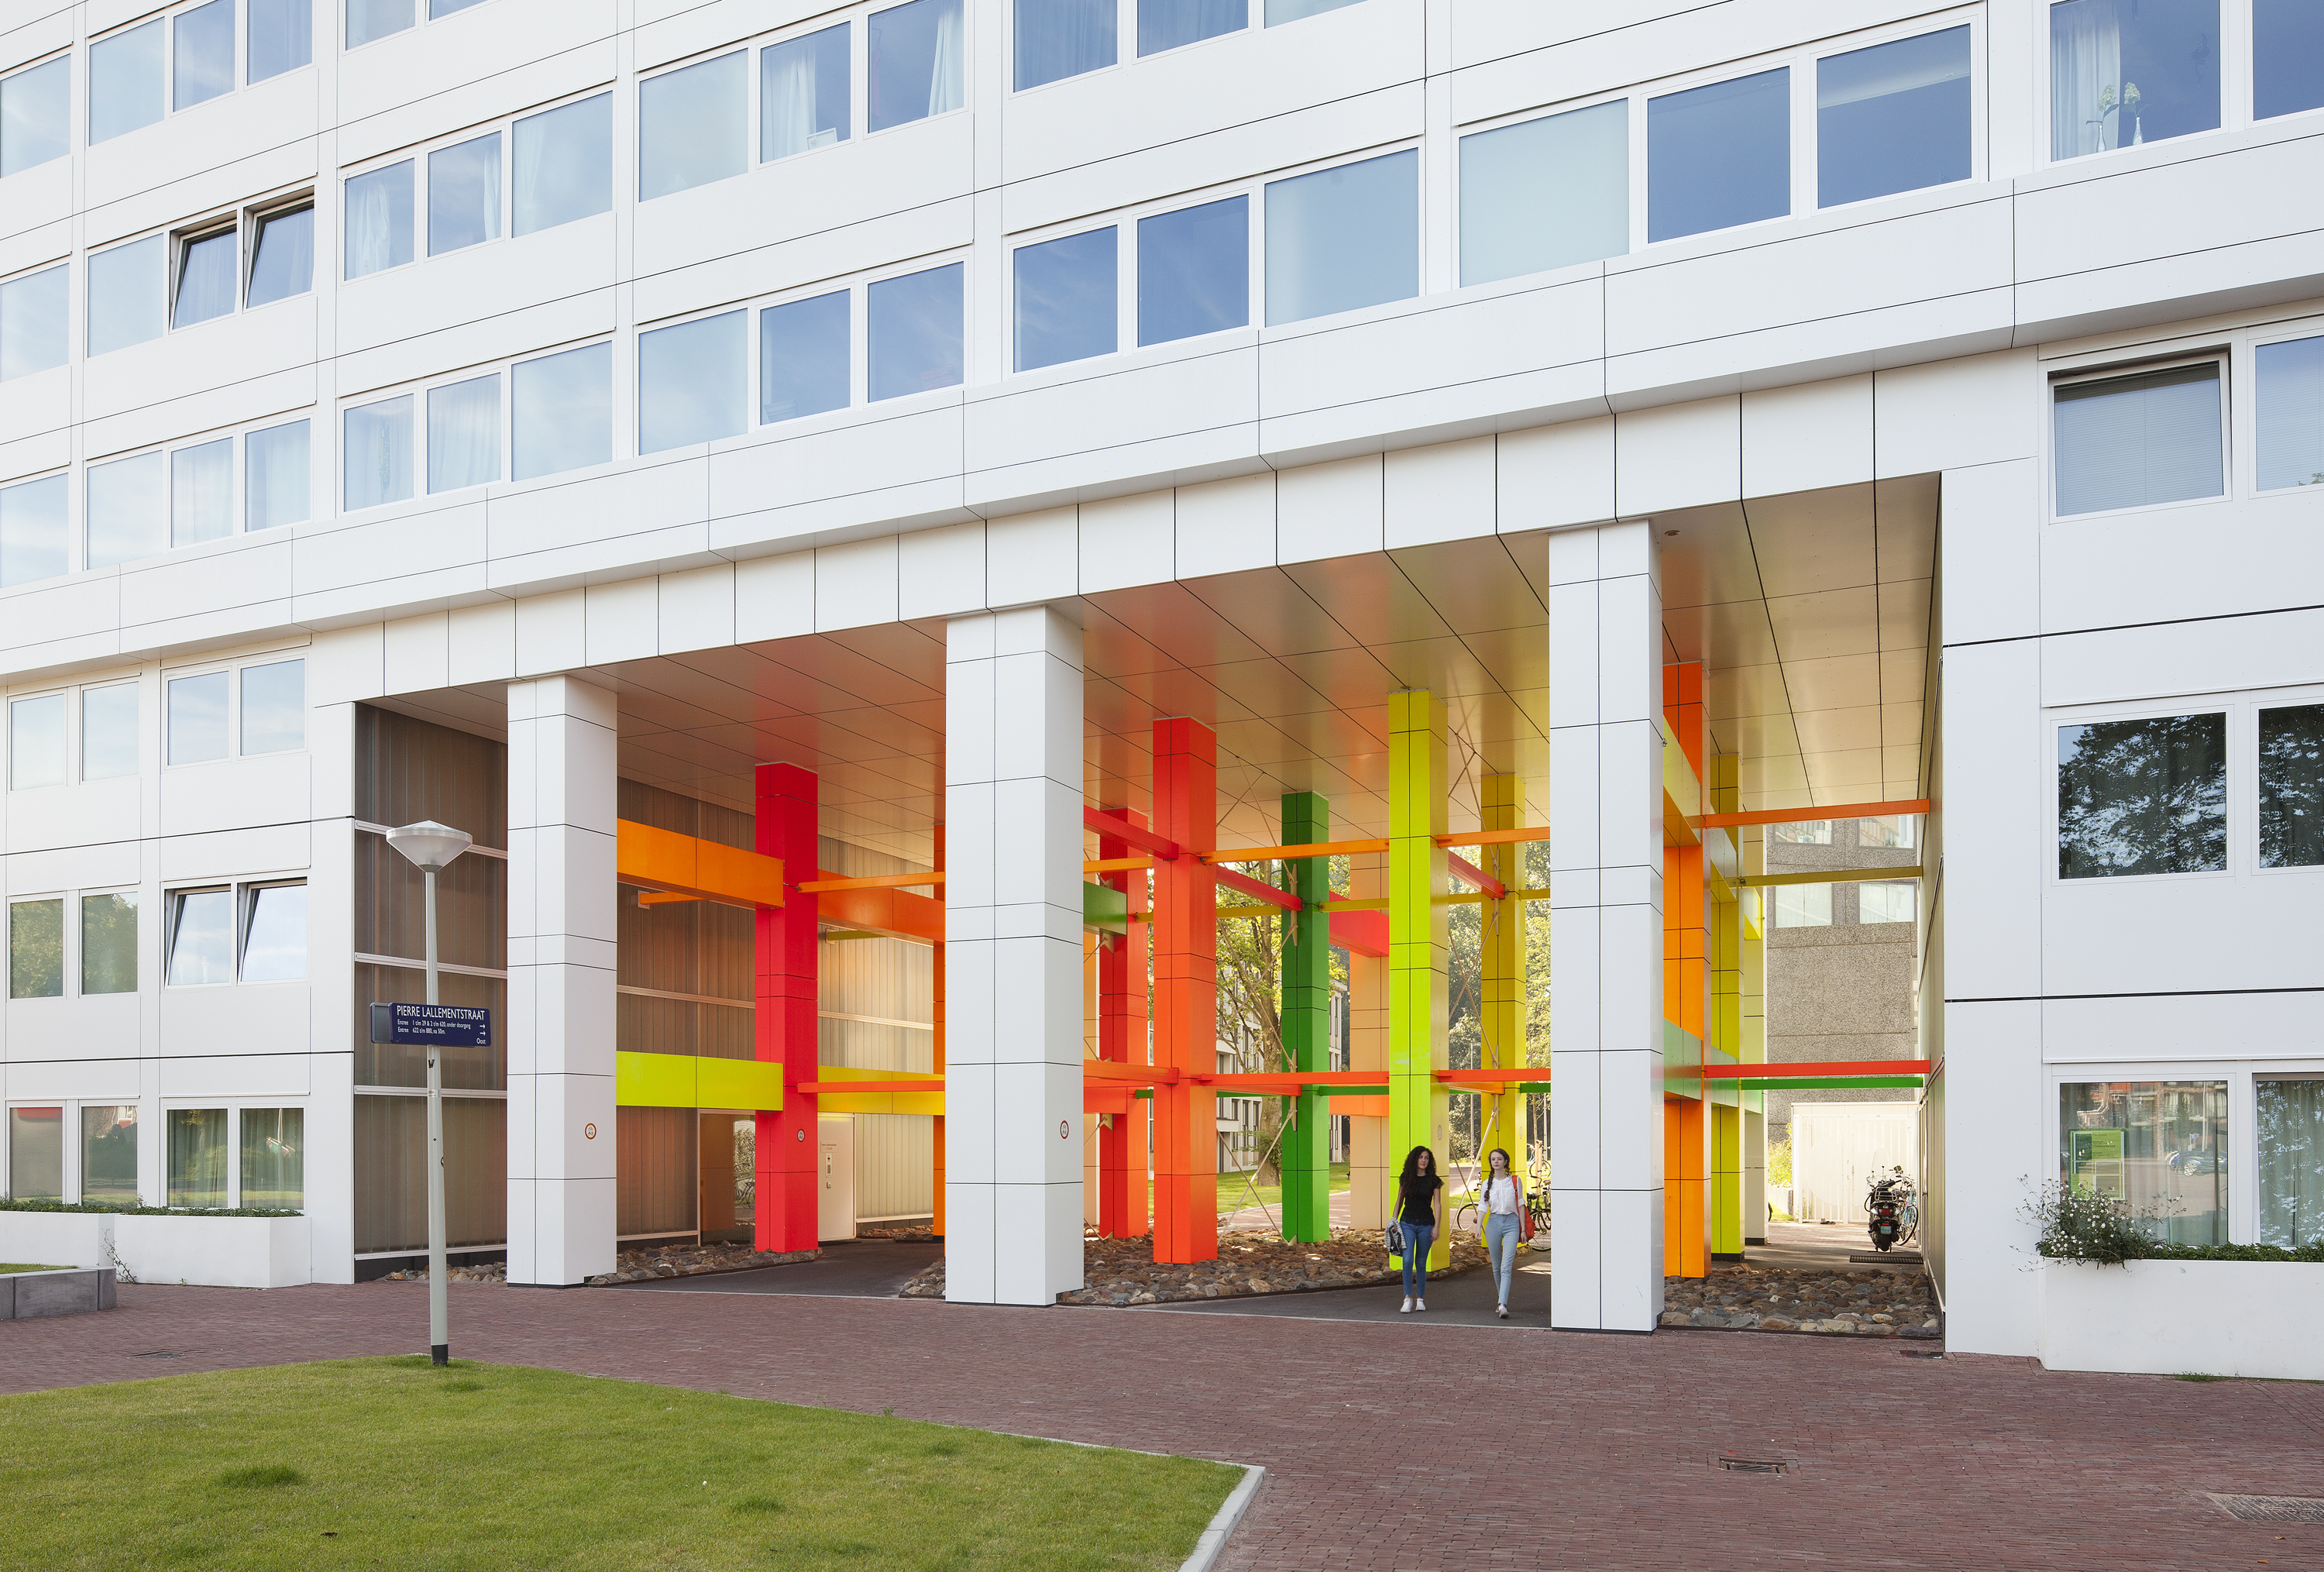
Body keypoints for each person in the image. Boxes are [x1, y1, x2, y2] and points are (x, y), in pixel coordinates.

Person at [1394, 1145, 1443, 1313]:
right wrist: (1394, 1220)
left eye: (1427, 1158)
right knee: (1407, 1260)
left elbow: (1437, 1204)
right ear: (1415, 1159)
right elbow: (1399, 1200)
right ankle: (1408, 1297)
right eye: (1421, 1157)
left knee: (1421, 1262)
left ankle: (1420, 1299)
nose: (1424, 1161)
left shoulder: (1434, 1180)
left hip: (1426, 1224)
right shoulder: (1406, 1178)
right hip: (1407, 1223)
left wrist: (1437, 1226)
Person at [1481, 1145, 1523, 1319]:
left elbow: (1521, 1204)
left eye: (1499, 1159)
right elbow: (1482, 1206)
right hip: (1493, 1223)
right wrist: (1478, 1227)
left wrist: (1523, 1229)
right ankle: (1501, 1301)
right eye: (1493, 1159)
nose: (1496, 1162)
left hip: (1512, 1222)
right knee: (1496, 1266)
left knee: (1506, 1266)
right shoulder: (1486, 1183)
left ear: (1505, 1161)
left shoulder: (1515, 1181)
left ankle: (1502, 1304)